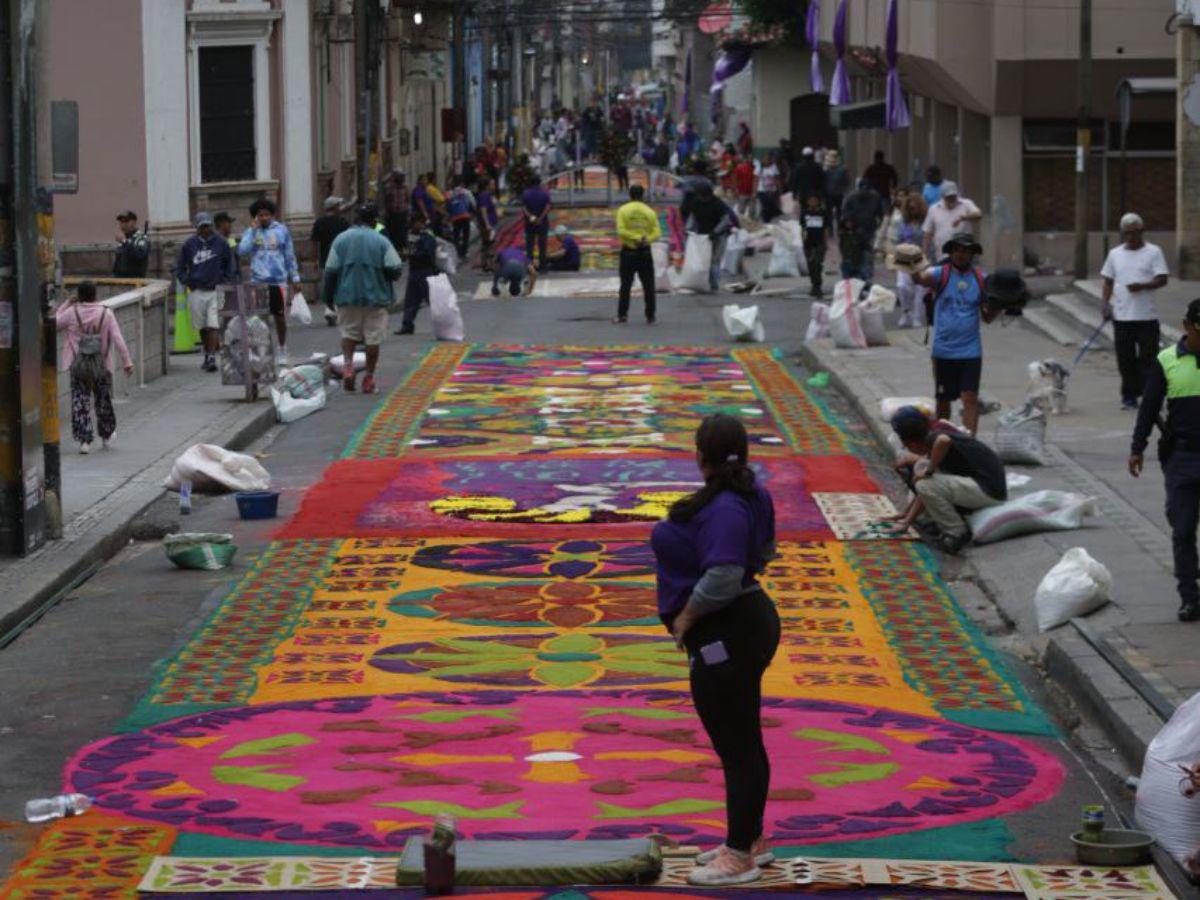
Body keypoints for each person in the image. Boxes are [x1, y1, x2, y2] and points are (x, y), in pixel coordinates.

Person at [652, 414, 780, 886]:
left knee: (736, 742)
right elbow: (765, 551)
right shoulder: (750, 494)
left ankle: (740, 856)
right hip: (745, 624)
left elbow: (724, 575)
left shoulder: (726, 506)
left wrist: (686, 618)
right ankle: (747, 839)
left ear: (699, 455)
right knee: (742, 736)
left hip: (727, 632)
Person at [1130, 298, 1200, 622]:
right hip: (1182, 457)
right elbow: (1149, 407)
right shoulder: (1167, 360)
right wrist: (1137, 446)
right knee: (1183, 529)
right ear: (1187, 327)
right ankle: (1190, 596)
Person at [886, 405, 1006, 553]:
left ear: (908, 443)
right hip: (984, 486)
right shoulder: (932, 439)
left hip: (989, 490)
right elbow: (923, 495)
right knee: (923, 478)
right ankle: (943, 524)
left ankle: (956, 532)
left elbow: (943, 441)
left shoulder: (936, 438)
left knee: (925, 482)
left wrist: (928, 471)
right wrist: (906, 518)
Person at [913, 233, 1000, 435]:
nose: (961, 254)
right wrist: (910, 264)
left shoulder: (981, 279)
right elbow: (920, 279)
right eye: (957, 250)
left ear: (972, 254)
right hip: (943, 350)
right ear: (951, 252)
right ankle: (942, 440)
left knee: (970, 397)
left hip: (970, 350)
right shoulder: (939, 274)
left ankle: (968, 443)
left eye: (966, 251)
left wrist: (1000, 304)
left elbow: (987, 317)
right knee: (943, 400)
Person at [322, 203, 402, 395]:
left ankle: (348, 367)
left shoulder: (340, 240)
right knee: (372, 339)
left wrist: (328, 297)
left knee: (348, 334)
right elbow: (395, 268)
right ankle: (368, 378)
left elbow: (330, 270)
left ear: (355, 219)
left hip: (346, 297)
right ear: (374, 221)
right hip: (375, 298)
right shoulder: (381, 240)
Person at [1101, 212, 1170, 409]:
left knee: (1148, 359)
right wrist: (1105, 304)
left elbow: (1162, 279)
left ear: (1142, 232)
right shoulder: (1115, 254)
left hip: (1146, 316)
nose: (1130, 237)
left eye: (1134, 233)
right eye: (1126, 233)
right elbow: (1108, 281)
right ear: (1122, 233)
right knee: (1125, 359)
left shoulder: (1153, 251)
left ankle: (1148, 395)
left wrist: (1143, 285)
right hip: (1122, 316)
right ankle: (1129, 395)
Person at [56, 281, 133, 454]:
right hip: (101, 365)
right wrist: (127, 361)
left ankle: (84, 441)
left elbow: (54, 323)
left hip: (78, 366)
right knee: (102, 398)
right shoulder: (106, 313)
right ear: (95, 295)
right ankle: (106, 435)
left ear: (80, 296)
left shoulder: (71, 312)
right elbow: (118, 338)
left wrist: (67, 303)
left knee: (80, 401)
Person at [237, 198, 300, 363]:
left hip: (278, 282)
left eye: (266, 215)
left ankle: (282, 349)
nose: (263, 218)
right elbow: (242, 250)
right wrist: (252, 231)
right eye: (260, 215)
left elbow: (289, 255)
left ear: (272, 215)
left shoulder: (281, 231)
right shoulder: (252, 231)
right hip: (257, 282)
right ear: (255, 217)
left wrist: (295, 277)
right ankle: (261, 352)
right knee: (259, 319)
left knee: (279, 318)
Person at [174, 212, 234, 372]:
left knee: (213, 324)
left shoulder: (221, 243)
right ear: (197, 228)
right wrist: (188, 281)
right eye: (203, 227)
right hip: (196, 290)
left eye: (208, 226)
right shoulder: (189, 245)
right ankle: (207, 354)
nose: (206, 230)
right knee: (201, 326)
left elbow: (229, 265)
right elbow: (179, 268)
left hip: (215, 290)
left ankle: (212, 357)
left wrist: (225, 282)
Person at [614, 184, 662, 324]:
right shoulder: (649, 211)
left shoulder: (623, 210)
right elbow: (657, 233)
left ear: (630, 195)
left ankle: (622, 315)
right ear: (643, 195)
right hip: (645, 252)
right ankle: (650, 315)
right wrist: (646, 239)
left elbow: (621, 230)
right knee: (649, 286)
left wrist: (634, 238)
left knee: (625, 285)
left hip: (629, 252)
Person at [688, 182, 736, 292]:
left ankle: (713, 284)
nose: (701, 198)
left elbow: (725, 220)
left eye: (702, 195)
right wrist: (689, 230)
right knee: (703, 260)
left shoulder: (718, 204)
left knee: (715, 260)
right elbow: (693, 218)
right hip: (703, 236)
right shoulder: (696, 203)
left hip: (718, 236)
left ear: (708, 195)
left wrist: (715, 232)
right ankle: (703, 281)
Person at [310, 197, 351, 326]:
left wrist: (315, 260)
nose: (340, 208)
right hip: (341, 259)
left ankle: (329, 310)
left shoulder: (319, 222)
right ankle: (335, 310)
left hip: (325, 259)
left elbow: (314, 243)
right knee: (339, 285)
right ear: (334, 207)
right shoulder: (343, 222)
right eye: (338, 205)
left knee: (328, 285)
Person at [396, 211, 438, 335]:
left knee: (432, 300)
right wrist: (405, 254)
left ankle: (443, 323)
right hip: (414, 271)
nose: (412, 225)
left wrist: (410, 254)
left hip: (425, 271)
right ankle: (407, 325)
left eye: (415, 223)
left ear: (421, 223)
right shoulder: (412, 235)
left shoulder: (427, 235)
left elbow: (426, 253)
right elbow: (411, 249)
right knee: (411, 300)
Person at [890, 193, 927, 327]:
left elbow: (928, 241)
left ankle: (917, 317)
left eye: (915, 208)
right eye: (910, 208)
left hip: (920, 258)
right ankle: (906, 312)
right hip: (904, 258)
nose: (913, 211)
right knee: (902, 286)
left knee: (919, 288)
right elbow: (897, 240)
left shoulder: (925, 223)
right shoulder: (902, 222)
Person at [921, 181, 982, 262]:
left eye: (953, 196)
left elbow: (978, 215)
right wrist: (924, 253)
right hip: (942, 255)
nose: (951, 199)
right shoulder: (934, 209)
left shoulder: (966, 204)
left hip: (965, 254)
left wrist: (963, 217)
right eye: (949, 197)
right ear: (943, 197)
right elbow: (928, 233)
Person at [840, 179, 884, 282]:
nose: (864, 192)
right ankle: (856, 276)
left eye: (866, 189)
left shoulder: (875, 197)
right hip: (855, 230)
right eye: (862, 189)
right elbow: (845, 213)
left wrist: (878, 223)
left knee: (867, 255)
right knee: (855, 254)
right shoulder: (851, 198)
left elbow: (879, 213)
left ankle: (866, 277)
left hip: (869, 229)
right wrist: (848, 223)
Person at [521, 176, 552, 269]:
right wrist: (540, 218)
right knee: (542, 244)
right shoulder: (545, 193)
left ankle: (530, 266)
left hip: (529, 223)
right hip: (542, 223)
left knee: (529, 245)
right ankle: (543, 265)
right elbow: (547, 207)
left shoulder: (526, 193)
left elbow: (524, 208)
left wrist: (530, 217)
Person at [801, 194, 829, 298]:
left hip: (819, 242)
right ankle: (814, 284)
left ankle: (818, 286)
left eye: (815, 200)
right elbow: (803, 228)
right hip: (808, 242)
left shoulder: (822, 213)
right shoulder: (805, 213)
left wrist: (825, 243)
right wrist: (803, 241)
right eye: (811, 200)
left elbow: (826, 228)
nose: (813, 202)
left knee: (817, 263)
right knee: (811, 264)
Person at [446, 177, 477, 260]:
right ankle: (465, 252)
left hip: (455, 218)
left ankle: (458, 252)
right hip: (465, 216)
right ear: (461, 184)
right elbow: (473, 203)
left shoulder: (449, 193)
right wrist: (474, 213)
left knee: (456, 235)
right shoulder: (466, 192)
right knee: (465, 235)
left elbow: (447, 206)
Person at [113, 210, 149, 278]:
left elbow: (139, 255)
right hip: (120, 281)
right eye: (121, 222)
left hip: (136, 281)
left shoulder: (141, 238)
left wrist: (125, 242)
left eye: (126, 222)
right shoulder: (123, 240)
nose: (123, 225)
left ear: (134, 222)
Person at [382, 169, 410, 256]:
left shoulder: (405, 188)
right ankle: (394, 250)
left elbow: (408, 199)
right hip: (392, 214)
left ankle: (402, 250)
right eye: (399, 177)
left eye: (402, 177)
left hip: (402, 213)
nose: (401, 179)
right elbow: (385, 199)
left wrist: (408, 212)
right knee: (393, 232)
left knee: (402, 233)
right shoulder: (389, 187)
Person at [823, 151, 850, 237]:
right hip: (839, 193)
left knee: (829, 212)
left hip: (828, 194)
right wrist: (843, 189)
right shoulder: (843, 169)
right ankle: (838, 229)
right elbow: (847, 181)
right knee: (839, 211)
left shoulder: (825, 170)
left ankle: (830, 230)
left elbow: (822, 182)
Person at [475, 178, 499, 271]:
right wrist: (487, 224)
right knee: (489, 243)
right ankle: (489, 264)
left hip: (489, 223)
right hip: (487, 224)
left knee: (487, 243)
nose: (494, 186)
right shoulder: (484, 195)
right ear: (487, 186)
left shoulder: (487, 195)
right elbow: (483, 210)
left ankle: (486, 263)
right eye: (492, 184)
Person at [757, 152, 781, 223]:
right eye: (765, 159)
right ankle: (765, 221)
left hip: (772, 191)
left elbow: (777, 179)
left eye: (768, 159)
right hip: (762, 190)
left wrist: (779, 189)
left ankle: (770, 220)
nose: (766, 161)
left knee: (770, 207)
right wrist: (754, 192)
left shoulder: (774, 167)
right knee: (765, 207)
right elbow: (756, 180)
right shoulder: (759, 168)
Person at [732, 155, 756, 219]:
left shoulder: (754, 168)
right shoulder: (740, 168)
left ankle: (750, 222)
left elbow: (756, 180)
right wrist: (736, 189)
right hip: (744, 192)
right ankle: (743, 222)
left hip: (750, 192)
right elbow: (735, 179)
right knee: (743, 210)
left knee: (749, 210)